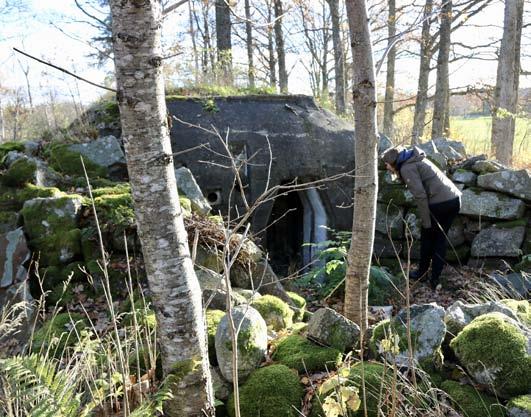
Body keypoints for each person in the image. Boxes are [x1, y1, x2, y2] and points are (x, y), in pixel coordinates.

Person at [380, 145, 462, 290]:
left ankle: (426, 275)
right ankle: (431, 276)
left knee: (430, 237)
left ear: (393, 162)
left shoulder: (406, 168)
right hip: (453, 199)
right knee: (438, 238)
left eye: (386, 164)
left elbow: (420, 195)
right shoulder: (415, 158)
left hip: (441, 203)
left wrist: (426, 222)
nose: (386, 167)